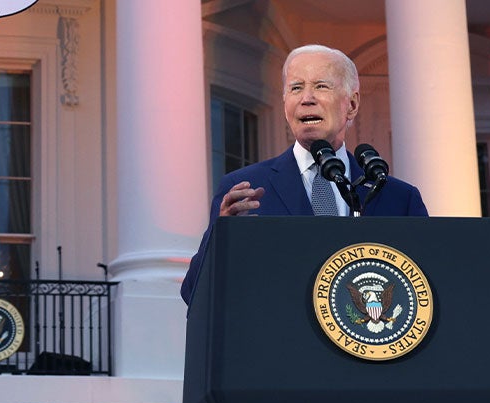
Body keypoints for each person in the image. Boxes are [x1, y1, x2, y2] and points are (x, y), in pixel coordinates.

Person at [181, 44, 428, 305]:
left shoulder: (398, 198)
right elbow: (194, 294)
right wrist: (222, 238)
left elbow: (428, 287)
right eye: (296, 88)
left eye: (321, 86)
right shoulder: (245, 191)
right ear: (285, 104)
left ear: (352, 104)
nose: (306, 98)